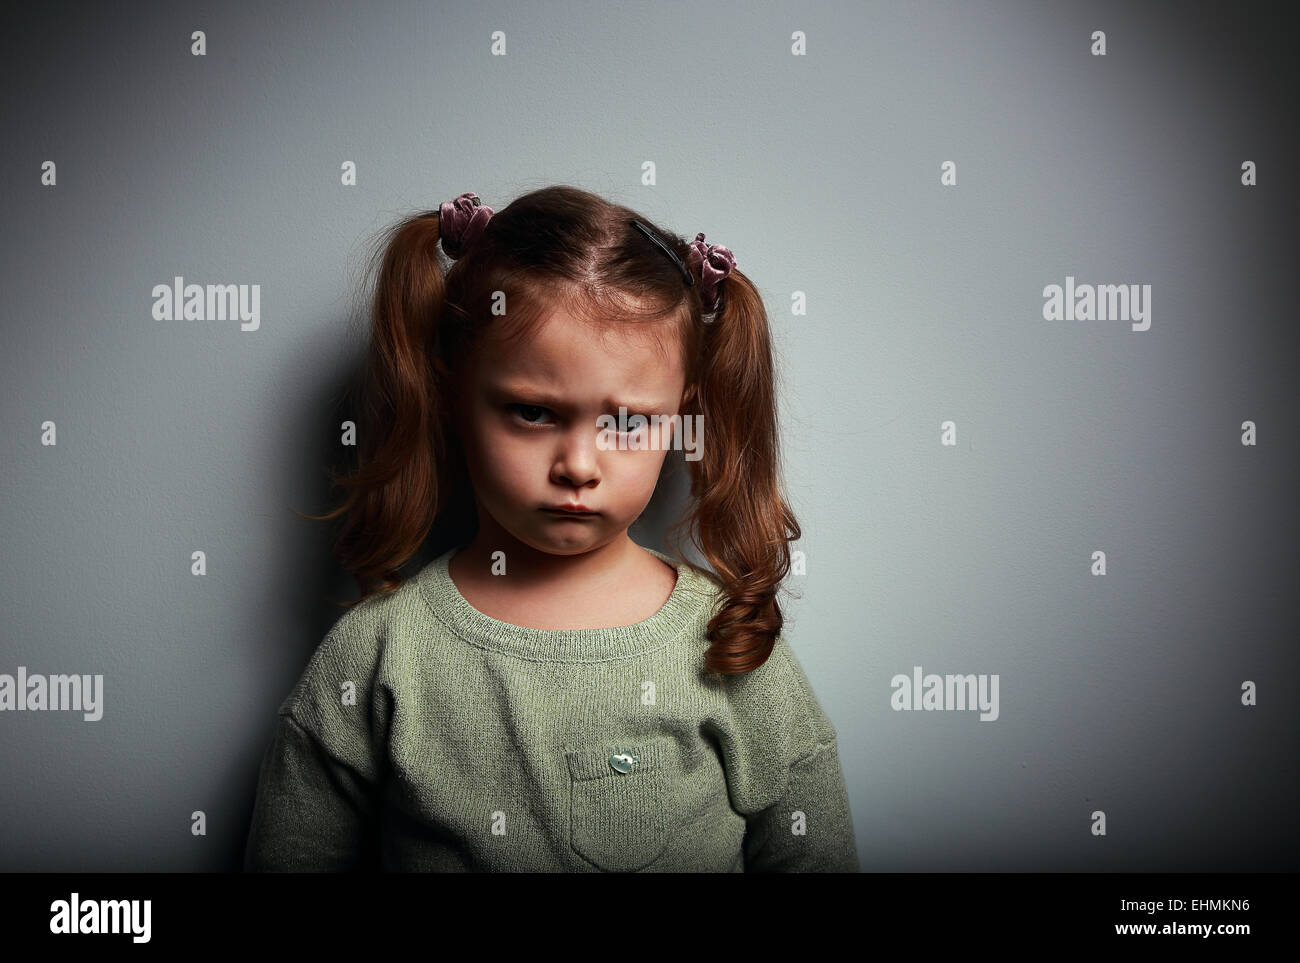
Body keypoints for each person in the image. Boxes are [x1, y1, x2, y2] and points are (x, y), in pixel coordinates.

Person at [243, 185, 859, 872]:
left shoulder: (730, 646)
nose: (578, 465)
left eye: (627, 422)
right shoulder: (378, 656)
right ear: (450, 395)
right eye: (533, 413)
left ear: (681, 418)